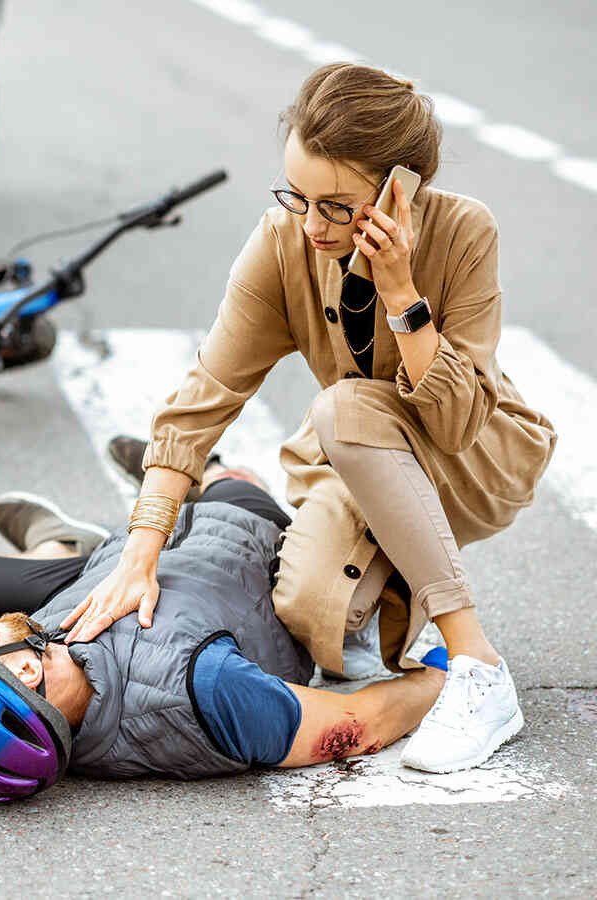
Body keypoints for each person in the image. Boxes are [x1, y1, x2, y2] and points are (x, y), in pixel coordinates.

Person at [80, 62, 556, 775]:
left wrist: (402, 293)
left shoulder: (463, 232)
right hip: (357, 455)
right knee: (310, 609)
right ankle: (389, 618)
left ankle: (477, 667)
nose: (311, 225)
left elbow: (456, 422)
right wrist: (139, 554)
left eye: (335, 205)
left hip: (478, 456)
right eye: (297, 196)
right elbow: (206, 391)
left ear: (402, 190)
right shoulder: (283, 243)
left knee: (344, 406)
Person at [0, 471, 447, 802]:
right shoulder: (203, 690)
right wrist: (447, 676)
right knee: (231, 482)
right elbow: (358, 724)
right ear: (23, 672)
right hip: (242, 537)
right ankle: (217, 469)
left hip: (108, 567)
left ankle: (59, 541)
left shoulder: (37, 672)